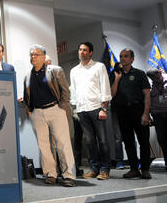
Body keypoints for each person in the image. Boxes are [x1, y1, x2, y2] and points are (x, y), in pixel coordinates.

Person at [23, 44, 76, 187]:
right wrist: (29, 110)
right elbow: (26, 94)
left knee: (62, 144)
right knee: (44, 146)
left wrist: (63, 109)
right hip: (37, 113)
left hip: (55, 109)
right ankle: (50, 174)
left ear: (44, 56)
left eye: (36, 54)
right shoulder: (28, 75)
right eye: (31, 55)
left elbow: (65, 91)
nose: (33, 57)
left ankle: (68, 175)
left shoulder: (55, 71)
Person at [70, 42, 112, 180]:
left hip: (97, 108)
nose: (82, 52)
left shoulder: (99, 67)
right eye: (80, 49)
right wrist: (75, 110)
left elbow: (105, 88)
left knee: (103, 141)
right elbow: (74, 92)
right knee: (89, 142)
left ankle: (105, 169)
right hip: (82, 110)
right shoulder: (74, 70)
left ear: (90, 52)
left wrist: (104, 108)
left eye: (85, 50)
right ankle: (94, 169)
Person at [110, 49, 151, 179]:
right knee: (128, 142)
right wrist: (117, 79)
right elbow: (111, 94)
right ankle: (134, 169)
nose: (123, 58)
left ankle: (145, 169)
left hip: (138, 109)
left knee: (143, 141)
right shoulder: (115, 74)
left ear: (132, 59)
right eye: (121, 56)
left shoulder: (139, 74)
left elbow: (147, 95)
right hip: (122, 111)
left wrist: (145, 114)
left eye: (126, 56)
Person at [146, 68, 167, 170]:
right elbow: (147, 100)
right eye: (152, 78)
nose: (155, 79)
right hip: (157, 114)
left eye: (156, 77)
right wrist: (148, 115)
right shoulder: (149, 84)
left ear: (159, 73)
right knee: (162, 139)